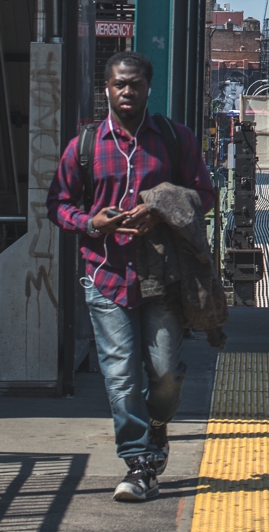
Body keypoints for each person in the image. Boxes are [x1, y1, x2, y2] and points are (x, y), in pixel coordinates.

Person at [47, 51, 215, 502]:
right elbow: (58, 205)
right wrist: (90, 223)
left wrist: (161, 208)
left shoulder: (174, 140)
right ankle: (139, 464)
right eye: (120, 84)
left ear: (147, 88)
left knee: (165, 374)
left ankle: (158, 425)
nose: (127, 91)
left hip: (162, 277)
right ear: (107, 88)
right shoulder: (84, 146)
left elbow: (206, 194)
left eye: (135, 84)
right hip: (105, 276)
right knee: (120, 376)